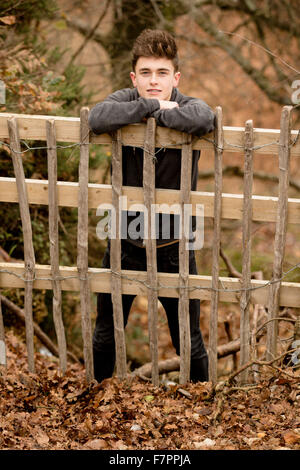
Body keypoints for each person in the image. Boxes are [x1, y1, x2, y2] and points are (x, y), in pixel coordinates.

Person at [88, 29, 215, 383]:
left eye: (162, 74)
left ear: (176, 78)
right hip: (123, 241)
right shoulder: (126, 100)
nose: (153, 81)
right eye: (146, 73)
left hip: (174, 246)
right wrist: (153, 107)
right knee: (106, 333)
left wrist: (160, 114)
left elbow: (205, 120)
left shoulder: (189, 104)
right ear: (134, 77)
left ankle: (203, 401)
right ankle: (97, 396)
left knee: (188, 339)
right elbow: (97, 118)